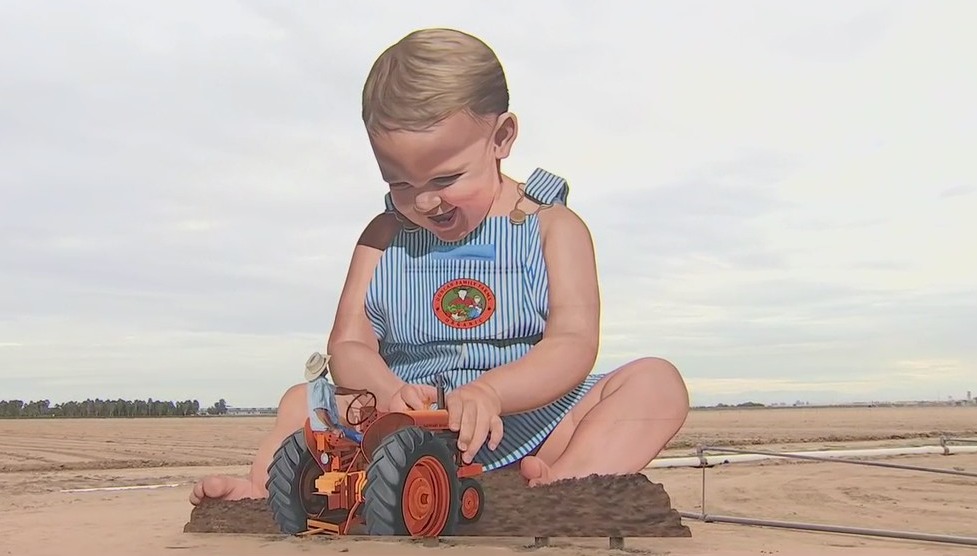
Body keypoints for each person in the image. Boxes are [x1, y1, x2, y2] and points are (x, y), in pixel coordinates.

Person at [189, 27, 689, 507]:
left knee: (655, 385)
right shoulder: (382, 239)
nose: (426, 201)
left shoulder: (552, 228)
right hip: (402, 426)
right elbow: (348, 345)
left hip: (529, 424)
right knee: (301, 402)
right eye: (400, 184)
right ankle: (264, 490)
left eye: (447, 177)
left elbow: (573, 345)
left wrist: (491, 391)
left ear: (502, 137)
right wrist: (388, 393)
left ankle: (567, 484)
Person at [303, 352, 364, 444]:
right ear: (322, 368)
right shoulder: (321, 384)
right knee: (365, 439)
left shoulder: (314, 384)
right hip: (328, 429)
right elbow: (320, 411)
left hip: (319, 430)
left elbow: (338, 390)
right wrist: (334, 429)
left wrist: (359, 392)